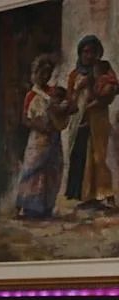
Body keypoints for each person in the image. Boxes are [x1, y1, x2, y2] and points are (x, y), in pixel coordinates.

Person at [65, 34, 119, 208]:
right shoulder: (74, 75)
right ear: (80, 53)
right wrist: (79, 89)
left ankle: (106, 194)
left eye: (92, 52)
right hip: (80, 119)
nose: (88, 55)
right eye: (85, 51)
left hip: (98, 119)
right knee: (82, 156)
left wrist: (97, 91)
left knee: (99, 156)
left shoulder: (103, 69)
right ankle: (88, 197)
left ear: (98, 53)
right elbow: (70, 100)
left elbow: (112, 90)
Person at [16, 54, 69, 219]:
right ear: (34, 73)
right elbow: (25, 118)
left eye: (48, 73)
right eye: (41, 73)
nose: (44, 76)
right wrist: (39, 125)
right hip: (38, 139)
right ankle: (29, 206)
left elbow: (66, 106)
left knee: (52, 170)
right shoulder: (31, 95)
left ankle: (46, 206)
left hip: (53, 137)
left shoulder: (53, 92)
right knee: (33, 169)